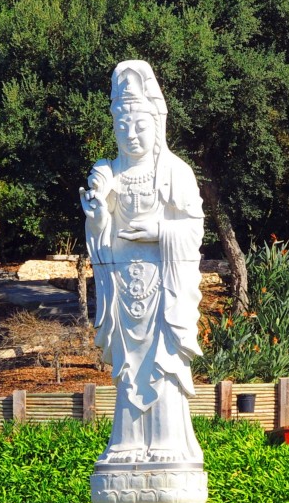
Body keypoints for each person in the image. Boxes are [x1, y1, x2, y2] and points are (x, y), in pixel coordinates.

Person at [80, 60, 205, 465]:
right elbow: (97, 221)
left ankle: (169, 444)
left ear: (157, 124)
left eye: (139, 126)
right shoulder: (107, 172)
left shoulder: (175, 172)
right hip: (123, 291)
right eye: (122, 126)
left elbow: (193, 230)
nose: (130, 135)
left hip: (164, 292)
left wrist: (159, 233)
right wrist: (98, 213)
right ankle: (127, 444)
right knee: (129, 369)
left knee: (162, 365)